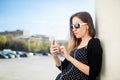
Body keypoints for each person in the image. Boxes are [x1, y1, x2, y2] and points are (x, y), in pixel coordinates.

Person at [50, 12, 103, 80]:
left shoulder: (94, 43)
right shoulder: (76, 45)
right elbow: (63, 68)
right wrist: (55, 56)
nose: (73, 29)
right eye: (72, 26)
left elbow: (93, 73)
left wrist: (69, 58)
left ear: (87, 25)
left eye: (77, 25)